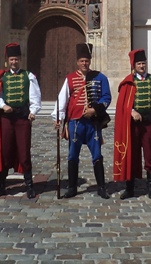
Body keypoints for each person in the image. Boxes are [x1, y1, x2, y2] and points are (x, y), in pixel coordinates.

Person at [0, 43, 42, 199]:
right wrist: (3, 105)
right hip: (7, 119)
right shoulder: (3, 77)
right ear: (8, 60)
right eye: (12, 59)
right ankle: (1, 185)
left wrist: (33, 112)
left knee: (24, 152)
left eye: (16, 59)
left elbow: (35, 96)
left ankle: (29, 186)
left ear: (20, 60)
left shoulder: (29, 76)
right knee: (5, 152)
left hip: (22, 119)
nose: (14, 62)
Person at [52, 43, 112, 199]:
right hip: (75, 122)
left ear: (90, 61)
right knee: (73, 155)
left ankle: (101, 187)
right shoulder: (70, 78)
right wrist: (58, 119)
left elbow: (106, 97)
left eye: (86, 60)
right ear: (77, 62)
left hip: (93, 123)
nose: (84, 63)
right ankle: (72, 188)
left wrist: (95, 110)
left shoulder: (100, 77)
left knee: (97, 154)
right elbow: (63, 100)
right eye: (81, 61)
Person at [113, 48, 151, 199]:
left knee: (149, 154)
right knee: (131, 154)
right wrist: (131, 111)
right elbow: (122, 103)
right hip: (133, 125)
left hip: (149, 123)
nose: (142, 66)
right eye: (139, 64)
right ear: (134, 65)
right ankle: (130, 188)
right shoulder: (129, 82)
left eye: (144, 63)